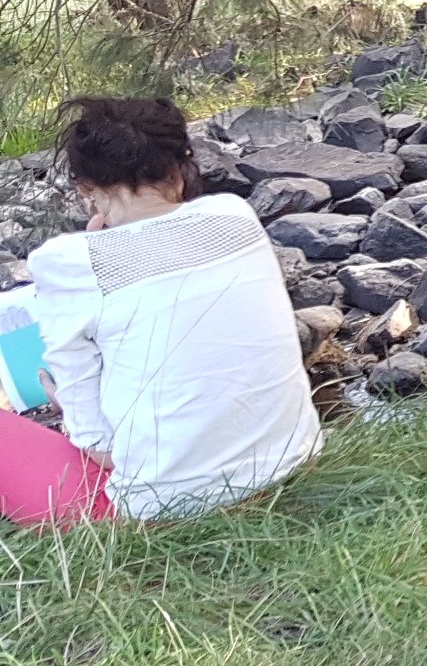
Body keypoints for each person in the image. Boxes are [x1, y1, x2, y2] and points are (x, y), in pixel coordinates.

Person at [0, 98, 322, 524]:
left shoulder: (67, 262)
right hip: (293, 465)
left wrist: (67, 409)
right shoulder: (235, 214)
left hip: (156, 510)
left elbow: (101, 449)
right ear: (180, 168)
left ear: (84, 188)